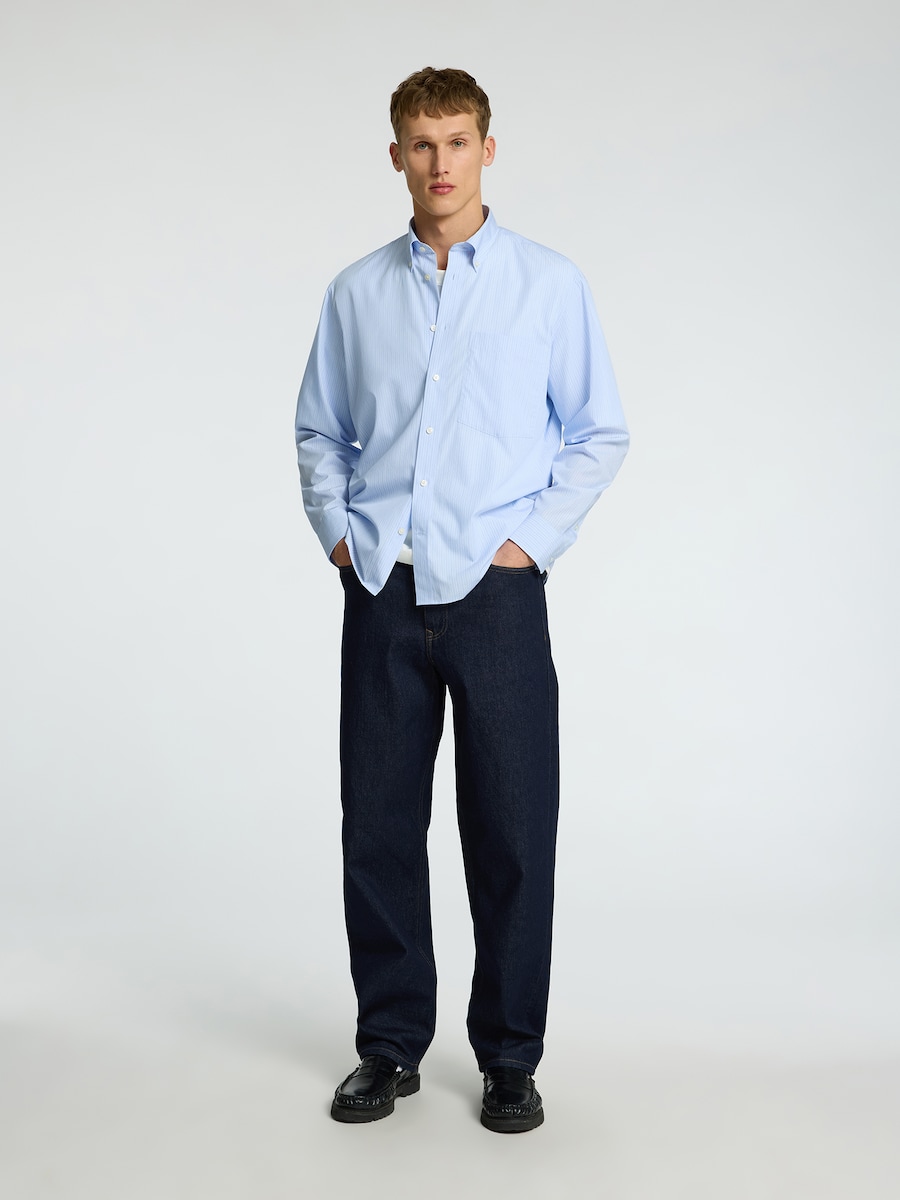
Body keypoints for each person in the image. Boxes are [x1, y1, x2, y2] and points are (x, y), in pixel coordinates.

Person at [295, 66, 628, 1133]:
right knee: (378, 827)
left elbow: (598, 432)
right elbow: (320, 430)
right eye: (421, 144)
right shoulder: (356, 294)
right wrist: (341, 534)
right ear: (396, 155)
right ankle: (389, 1046)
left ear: (488, 149)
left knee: (513, 830)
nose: (439, 163)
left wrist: (528, 546)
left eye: (457, 141)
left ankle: (510, 1058)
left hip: (495, 595)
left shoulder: (548, 285)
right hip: (384, 590)